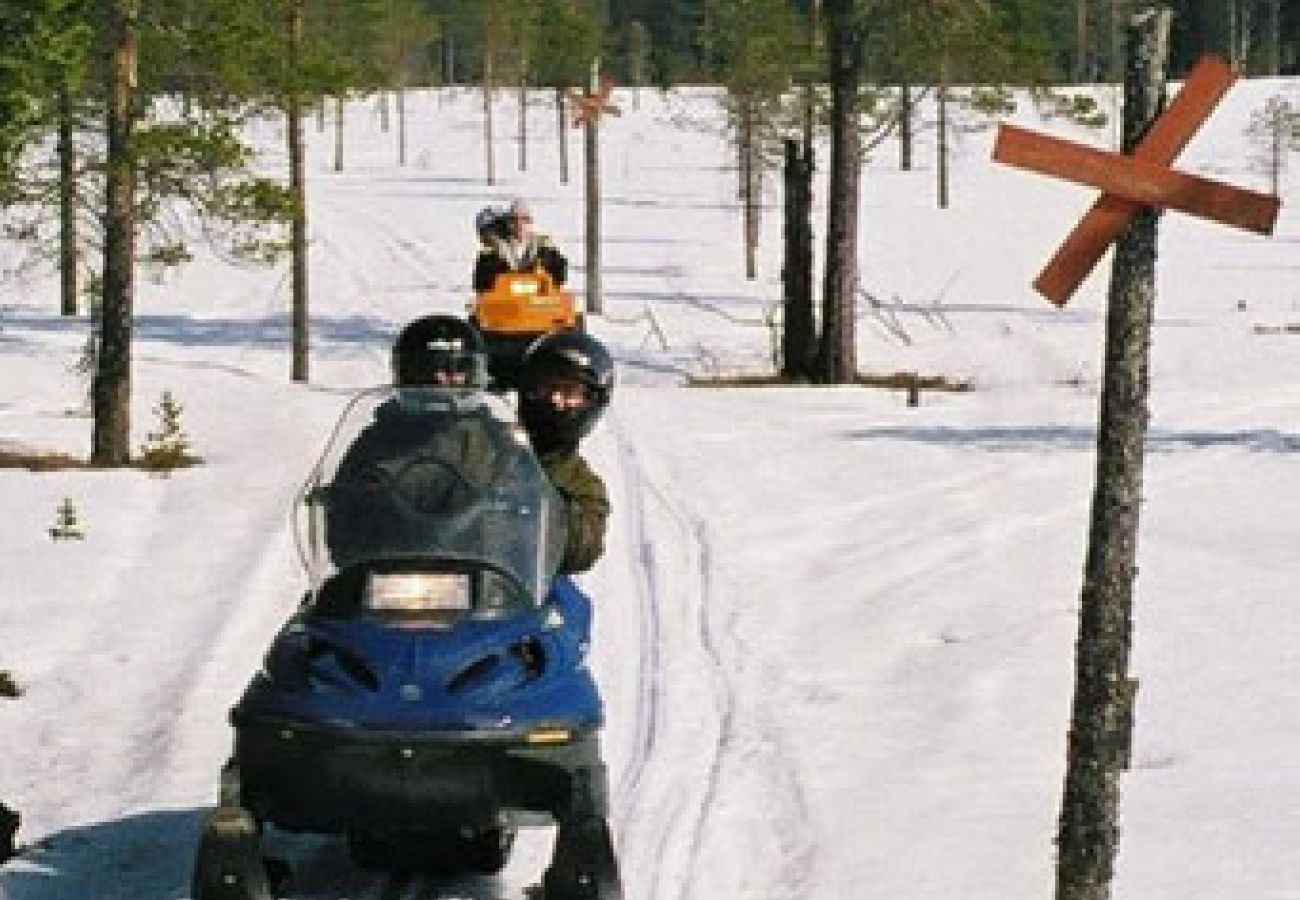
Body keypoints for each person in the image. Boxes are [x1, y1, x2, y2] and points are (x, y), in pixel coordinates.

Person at [516, 330, 614, 574]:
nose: (556, 401)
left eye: (569, 392)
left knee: (571, 606)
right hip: (464, 575)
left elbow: (581, 550)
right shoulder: (484, 444)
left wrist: (549, 513)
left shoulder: (582, 484)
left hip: (530, 584)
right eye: (548, 388)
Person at [473, 198, 569, 293]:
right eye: (513, 220)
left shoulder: (544, 248)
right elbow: (482, 285)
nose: (520, 224)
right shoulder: (490, 255)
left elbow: (559, 276)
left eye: (525, 219)